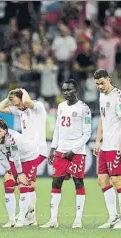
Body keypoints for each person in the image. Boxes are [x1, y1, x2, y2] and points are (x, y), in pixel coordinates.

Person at [41, 79, 92, 229]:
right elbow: (57, 128)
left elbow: (87, 133)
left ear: (76, 90)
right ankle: (53, 220)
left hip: (76, 152)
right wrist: (53, 148)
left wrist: (74, 150)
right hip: (61, 150)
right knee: (56, 182)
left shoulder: (84, 108)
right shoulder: (61, 106)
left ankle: (77, 220)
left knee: (78, 182)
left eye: (69, 90)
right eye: (64, 90)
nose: (66, 93)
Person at [0, 88, 48, 226]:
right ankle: (31, 218)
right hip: (26, 152)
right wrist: (10, 97)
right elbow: (0, 107)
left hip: (38, 151)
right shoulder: (20, 111)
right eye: (16, 104)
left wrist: (23, 90)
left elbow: (26, 101)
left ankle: (25, 215)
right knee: (30, 183)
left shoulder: (38, 107)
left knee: (24, 181)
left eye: (18, 103)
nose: (18, 106)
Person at [93, 69, 121, 229]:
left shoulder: (118, 96)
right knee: (102, 180)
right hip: (105, 146)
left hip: (116, 145)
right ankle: (113, 217)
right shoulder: (102, 96)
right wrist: (97, 140)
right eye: (97, 84)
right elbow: (103, 118)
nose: (100, 86)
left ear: (109, 80)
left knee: (117, 180)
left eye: (102, 82)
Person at [0, 118, 42, 228]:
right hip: (14, 159)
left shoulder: (13, 139)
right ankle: (11, 220)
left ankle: (22, 219)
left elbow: (16, 157)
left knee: (23, 184)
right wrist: (9, 171)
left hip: (29, 157)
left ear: (5, 131)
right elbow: (1, 157)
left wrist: (20, 174)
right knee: (8, 181)